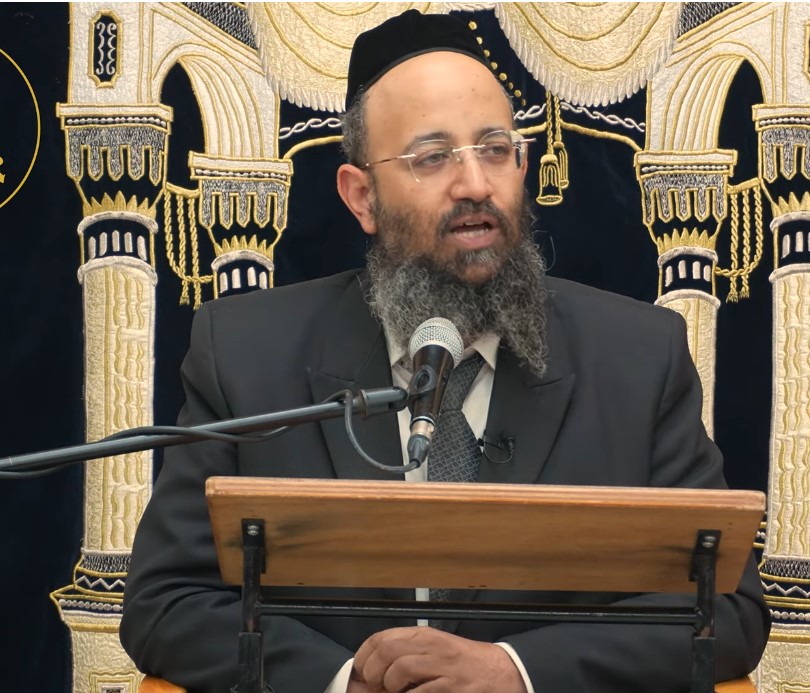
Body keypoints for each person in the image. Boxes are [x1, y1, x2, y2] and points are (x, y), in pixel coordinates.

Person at [120, 10, 769, 693]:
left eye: (495, 149)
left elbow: (726, 609)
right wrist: (345, 680)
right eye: (432, 157)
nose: (475, 184)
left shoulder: (638, 357)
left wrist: (514, 671)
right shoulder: (247, 354)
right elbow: (167, 601)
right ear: (362, 196)